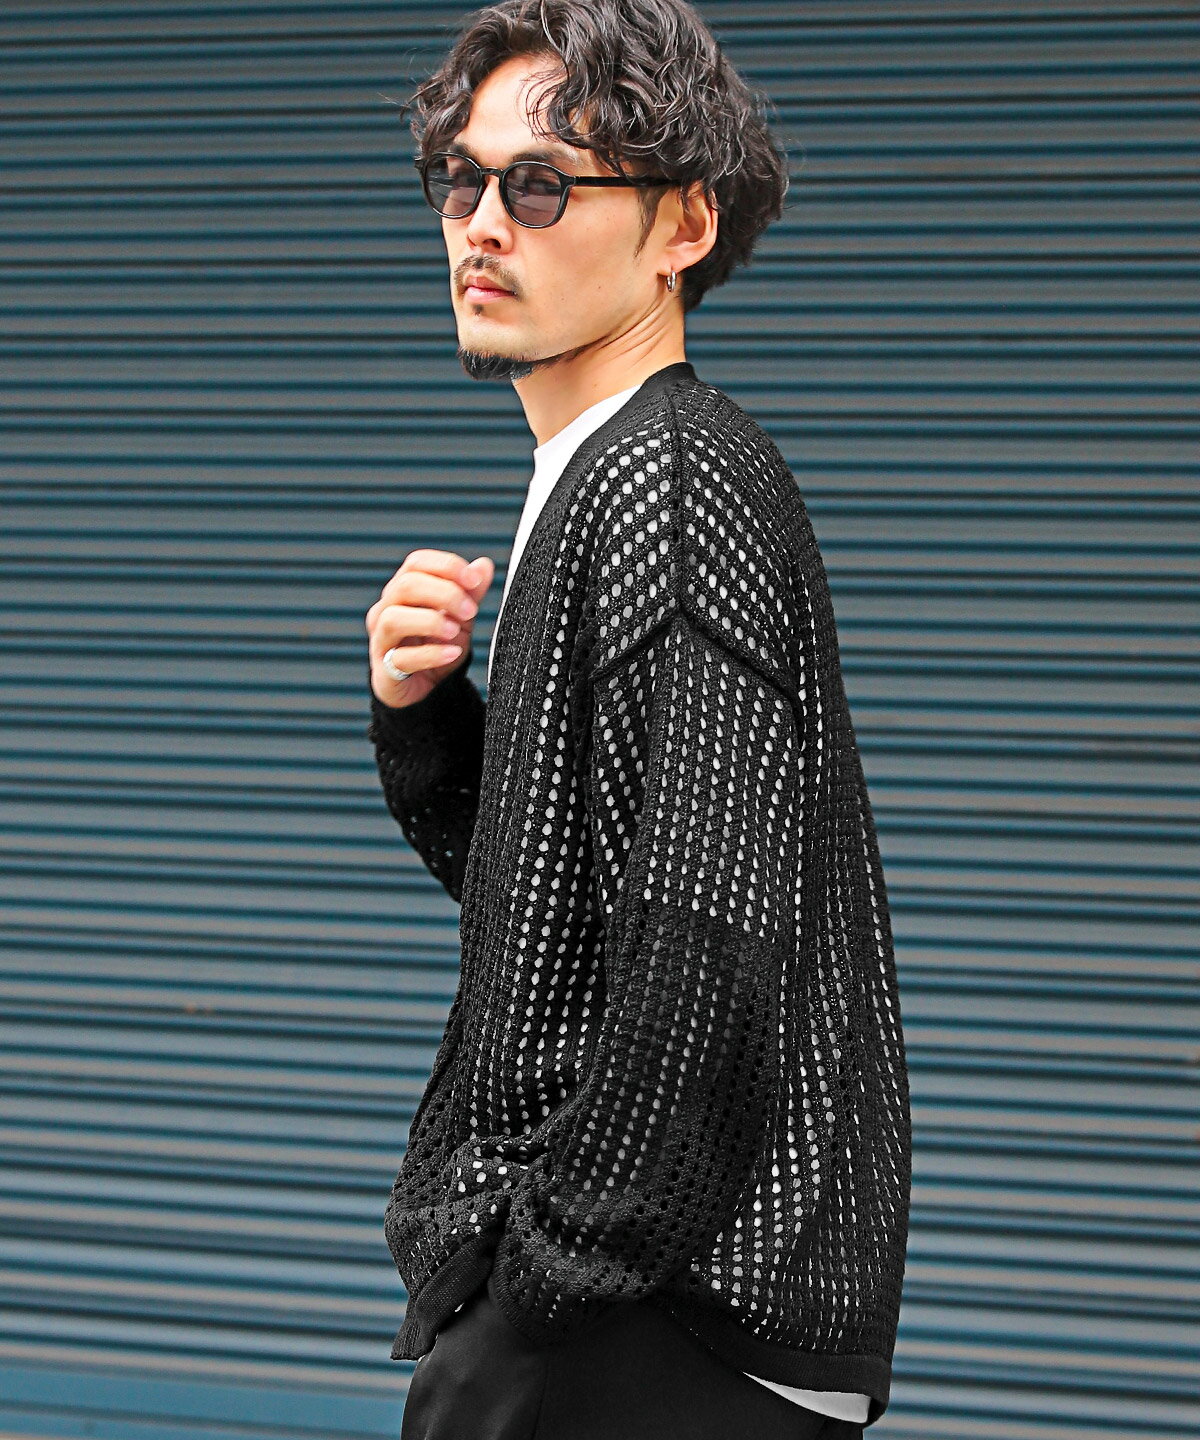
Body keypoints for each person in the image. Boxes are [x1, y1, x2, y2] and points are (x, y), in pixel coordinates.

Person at [363, 2, 912, 1436]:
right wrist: (428, 723)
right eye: (461, 181)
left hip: (658, 1334)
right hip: (643, 1324)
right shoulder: (598, 475)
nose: (484, 224)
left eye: (543, 186)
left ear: (684, 224)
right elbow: (577, 909)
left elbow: (706, 941)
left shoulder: (674, 476)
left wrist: (541, 1298)